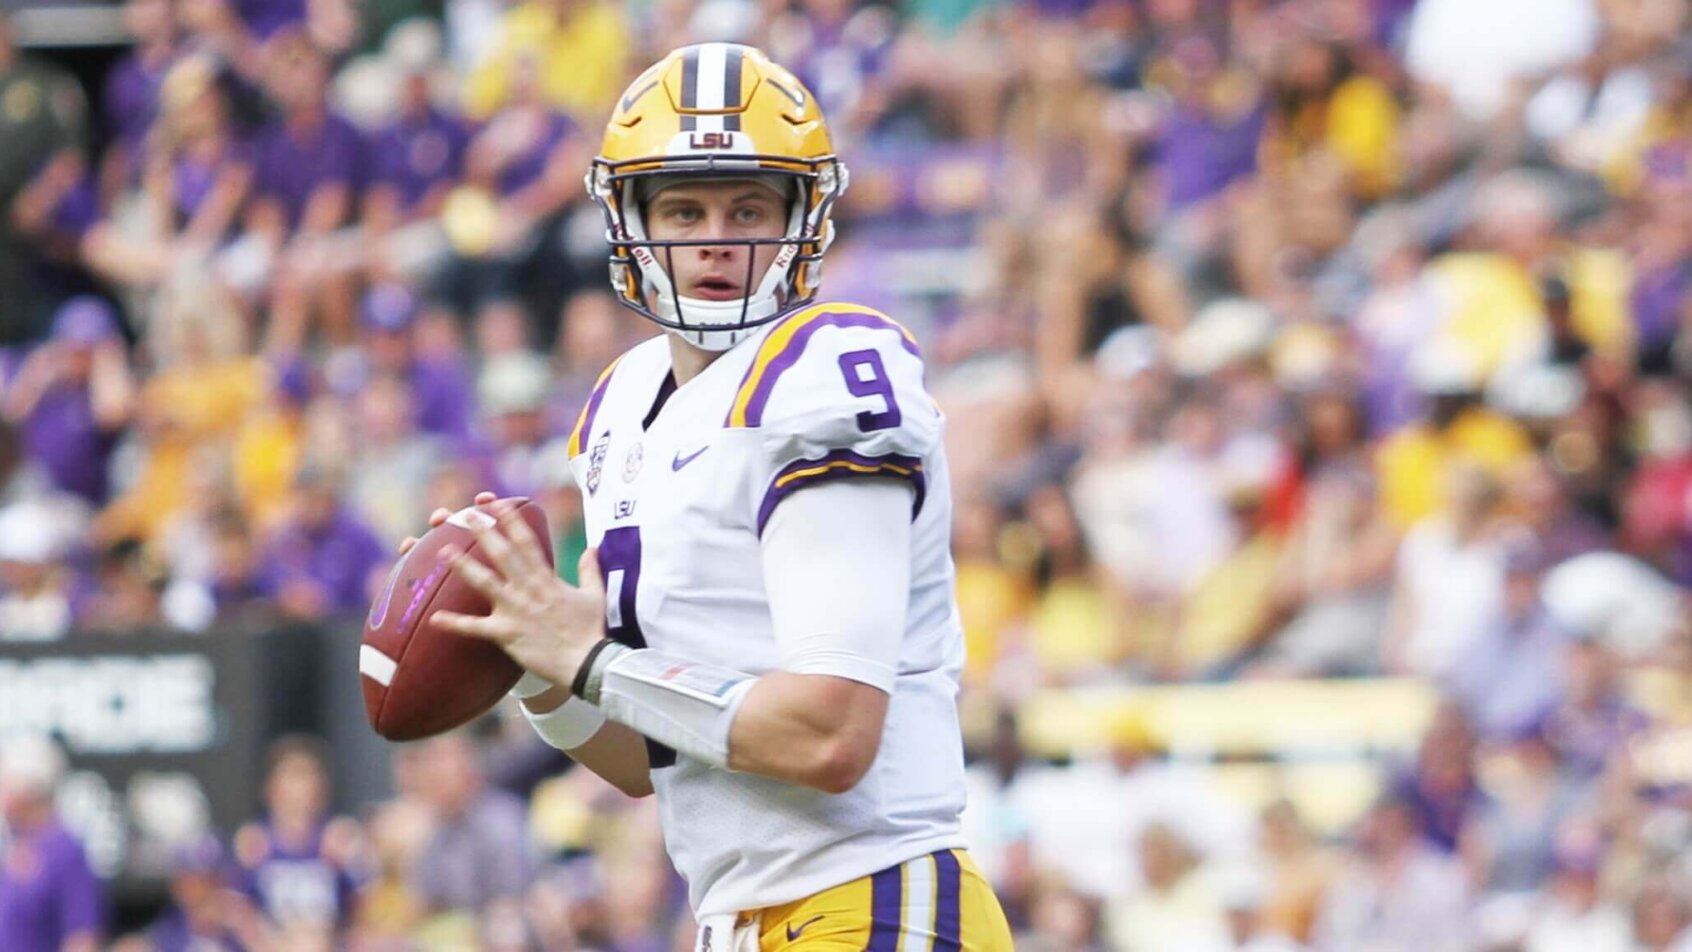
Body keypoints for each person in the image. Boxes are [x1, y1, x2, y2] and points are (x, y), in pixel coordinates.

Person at [401, 42, 1013, 952]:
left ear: (804, 218)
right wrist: (535, 661)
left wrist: (589, 659)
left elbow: (830, 736)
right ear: (632, 223)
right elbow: (650, 758)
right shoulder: (618, 407)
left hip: (872, 900)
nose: (717, 238)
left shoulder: (826, 369)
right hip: (735, 921)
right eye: (684, 209)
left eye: (749, 208)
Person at [0, 733, 105, 952]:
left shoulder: (65, 851)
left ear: (27, 790)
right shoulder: (12, 843)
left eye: (5, 783)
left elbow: (82, 938)